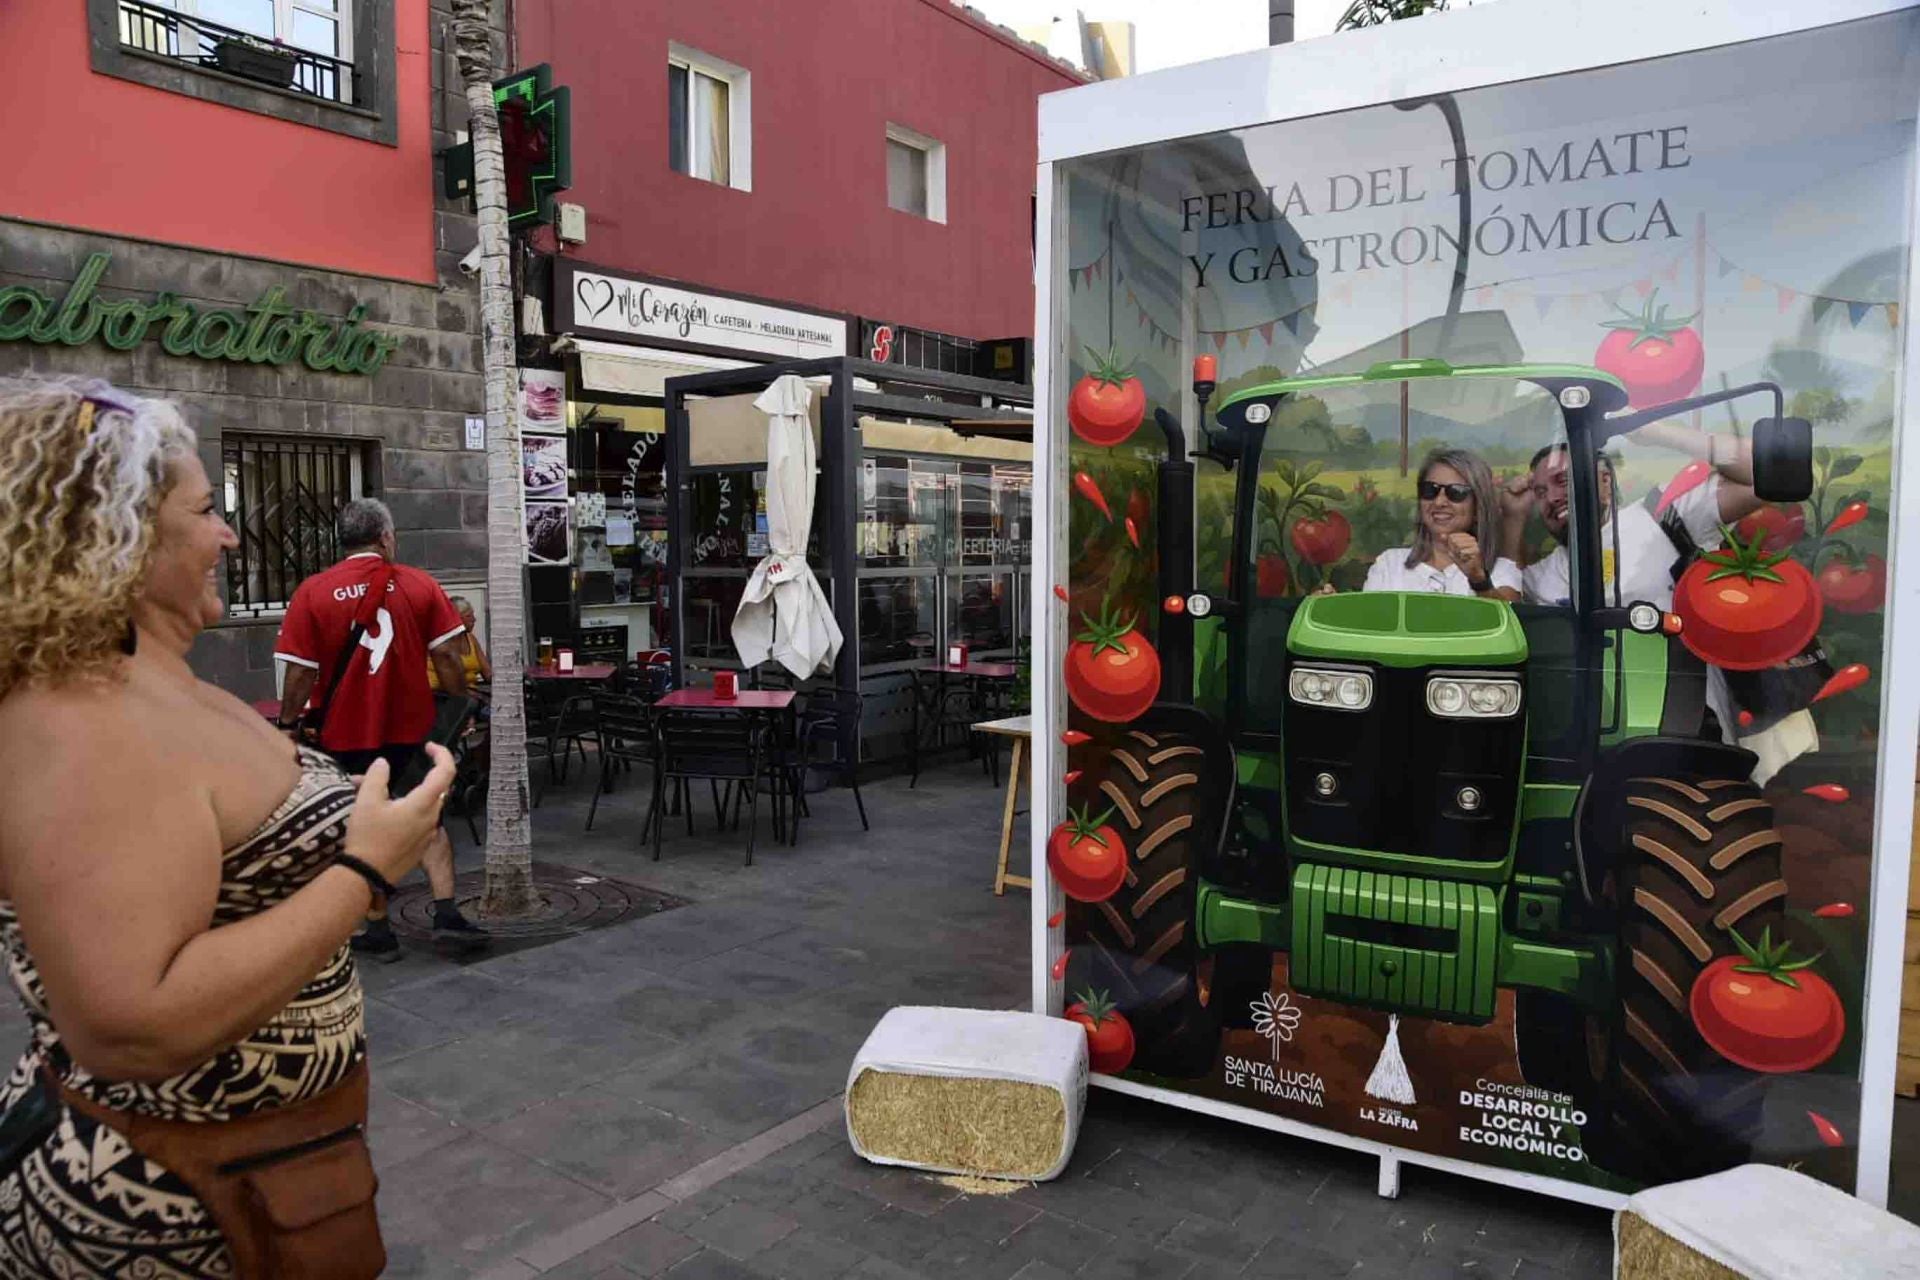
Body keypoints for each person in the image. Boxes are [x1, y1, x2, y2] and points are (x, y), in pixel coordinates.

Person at [0, 377, 454, 1276]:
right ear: (117, 537)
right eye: (207, 511)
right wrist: (364, 870)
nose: (229, 535)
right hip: (155, 1214)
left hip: (261, 1182)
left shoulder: (148, 680)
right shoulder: (81, 716)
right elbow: (128, 1022)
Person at [274, 499, 489, 959]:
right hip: (410, 731)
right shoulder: (419, 584)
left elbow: (299, 674)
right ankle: (447, 913)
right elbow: (449, 655)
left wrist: (289, 725)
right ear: (386, 537)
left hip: (345, 735)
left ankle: (378, 929)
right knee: (427, 816)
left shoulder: (312, 592)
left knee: (360, 828)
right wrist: (457, 710)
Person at [1500, 424, 1762, 611]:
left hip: (1685, 686)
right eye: (1540, 492)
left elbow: (1766, 473)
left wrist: (1654, 430)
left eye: (1563, 480)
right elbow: (1503, 617)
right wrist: (1512, 518)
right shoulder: (1540, 578)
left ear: (1604, 481)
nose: (1552, 497)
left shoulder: (1662, 514)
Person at [1358, 448, 1524, 600]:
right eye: (1430, 490)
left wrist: (1478, 580)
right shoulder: (1389, 564)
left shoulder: (1502, 570)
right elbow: (1368, 626)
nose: (1439, 502)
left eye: (1456, 492)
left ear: (1478, 507)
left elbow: (1508, 621)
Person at [430, 595, 492, 696]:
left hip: (472, 694)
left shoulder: (471, 639)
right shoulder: (440, 641)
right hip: (443, 696)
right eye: (468, 616)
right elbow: (451, 684)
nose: (474, 619)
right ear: (454, 618)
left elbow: (487, 673)